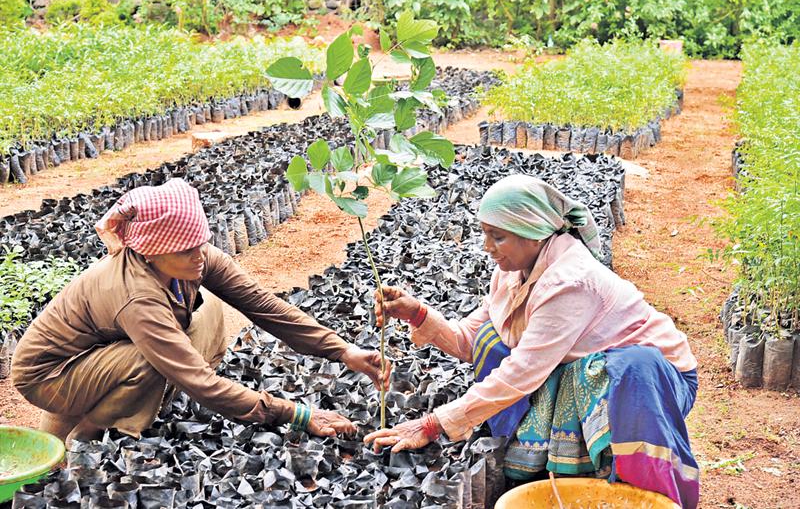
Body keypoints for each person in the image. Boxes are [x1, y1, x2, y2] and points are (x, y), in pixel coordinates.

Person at [364, 174, 699, 509]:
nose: (487, 247)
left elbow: (522, 372)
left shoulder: (569, 281)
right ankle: (566, 466)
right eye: (485, 234)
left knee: (625, 369)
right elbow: (470, 340)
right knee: (494, 339)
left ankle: (633, 482)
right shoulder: (512, 271)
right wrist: (417, 314)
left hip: (653, 383)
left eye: (498, 237)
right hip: (589, 365)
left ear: (533, 234)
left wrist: (434, 424)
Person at [12, 178, 390, 444]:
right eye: (186, 250)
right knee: (150, 361)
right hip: (48, 375)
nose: (199, 256)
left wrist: (342, 351)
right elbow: (199, 382)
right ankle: (89, 433)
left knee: (208, 311)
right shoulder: (137, 295)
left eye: (201, 244)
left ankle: (110, 406)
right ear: (151, 251)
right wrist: (298, 414)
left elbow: (263, 306)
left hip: (89, 355)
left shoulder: (193, 258)